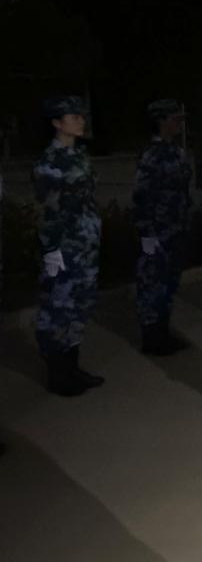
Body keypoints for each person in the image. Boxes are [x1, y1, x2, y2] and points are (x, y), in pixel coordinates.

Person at [33, 95, 105, 396]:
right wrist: (51, 249)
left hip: (84, 244)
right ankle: (58, 373)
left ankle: (72, 367)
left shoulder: (79, 156)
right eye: (73, 117)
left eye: (81, 116)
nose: (80, 121)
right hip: (63, 247)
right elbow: (47, 210)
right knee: (58, 307)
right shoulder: (50, 162)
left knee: (80, 304)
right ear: (56, 123)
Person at [133, 98, 192, 355]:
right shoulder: (152, 155)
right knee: (152, 283)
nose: (179, 124)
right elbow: (142, 195)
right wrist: (146, 233)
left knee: (169, 283)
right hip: (157, 230)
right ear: (161, 121)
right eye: (174, 119)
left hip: (175, 227)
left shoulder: (176, 152)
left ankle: (163, 331)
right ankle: (152, 336)